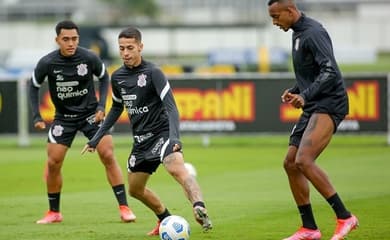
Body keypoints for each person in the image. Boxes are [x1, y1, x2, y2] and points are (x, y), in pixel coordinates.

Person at [81, 26, 213, 236]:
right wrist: (96, 138)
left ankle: (199, 206)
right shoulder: (117, 77)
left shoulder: (153, 73)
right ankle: (165, 219)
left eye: (130, 48)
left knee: (176, 167)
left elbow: (171, 107)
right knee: (134, 189)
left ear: (140, 47)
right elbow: (116, 108)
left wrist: (174, 138)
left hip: (162, 134)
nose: (125, 53)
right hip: (141, 142)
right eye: (122, 48)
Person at [267, 1, 359, 240]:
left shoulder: (314, 32)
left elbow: (329, 71)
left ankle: (345, 216)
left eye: (276, 17)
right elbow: (313, 72)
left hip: (330, 102)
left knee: (304, 160)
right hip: (314, 103)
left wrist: (304, 95)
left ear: (290, 10)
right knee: (290, 163)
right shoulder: (297, 33)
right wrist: (296, 89)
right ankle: (309, 228)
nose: (274, 22)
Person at [29, 20, 136, 224]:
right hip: (63, 118)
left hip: (90, 116)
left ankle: (124, 208)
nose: (71, 43)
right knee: (53, 162)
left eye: (74, 39)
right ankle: (54, 212)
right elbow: (33, 86)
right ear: (57, 40)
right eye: (66, 39)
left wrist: (101, 108)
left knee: (107, 153)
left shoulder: (89, 57)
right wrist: (36, 116)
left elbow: (105, 78)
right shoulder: (47, 62)